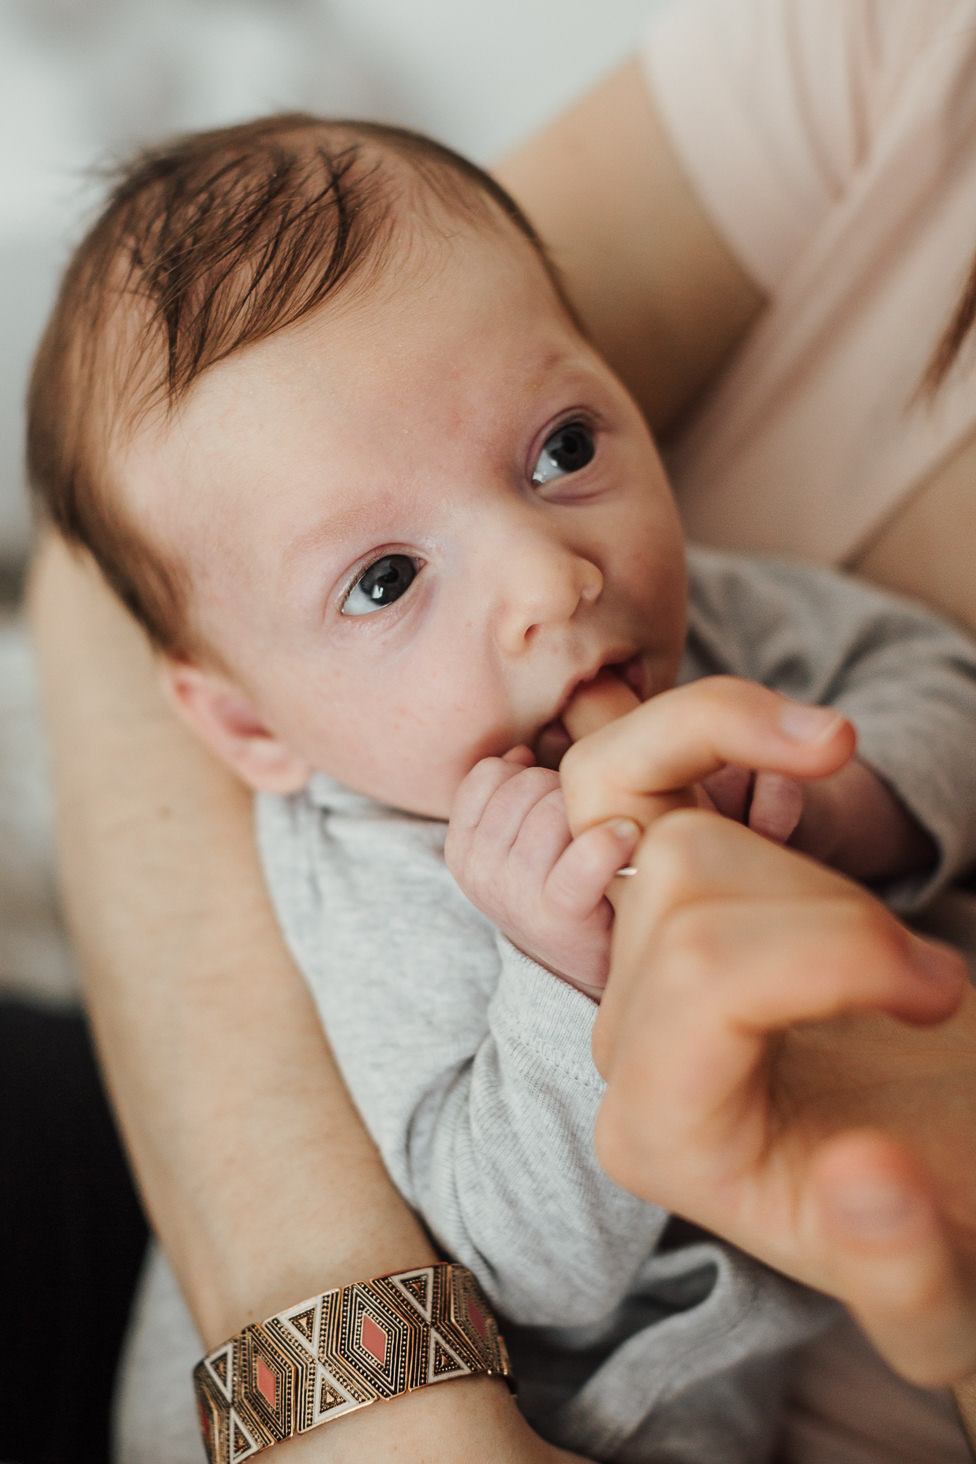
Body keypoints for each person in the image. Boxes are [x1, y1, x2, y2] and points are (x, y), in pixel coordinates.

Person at [23, 0, 976, 1459]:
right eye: (387, 580)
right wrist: (561, 980)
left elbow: (935, 683)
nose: (550, 579)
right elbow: (529, 1271)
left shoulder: (711, 627)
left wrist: (853, 806)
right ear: (246, 726)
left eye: (564, 449)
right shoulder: (378, 874)